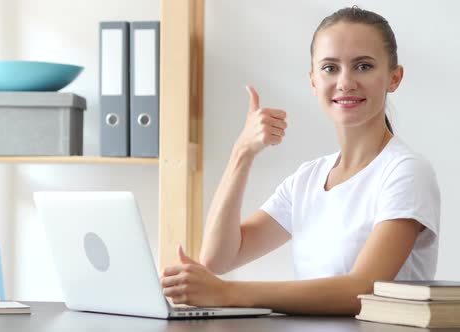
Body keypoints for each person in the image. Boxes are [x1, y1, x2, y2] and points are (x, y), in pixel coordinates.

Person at [159, 6, 440, 315]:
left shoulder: (406, 172)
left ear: (394, 77)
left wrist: (227, 293)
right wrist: (242, 153)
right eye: (330, 68)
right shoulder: (308, 178)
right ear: (313, 81)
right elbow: (219, 257)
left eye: (363, 66)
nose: (345, 82)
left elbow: (361, 290)